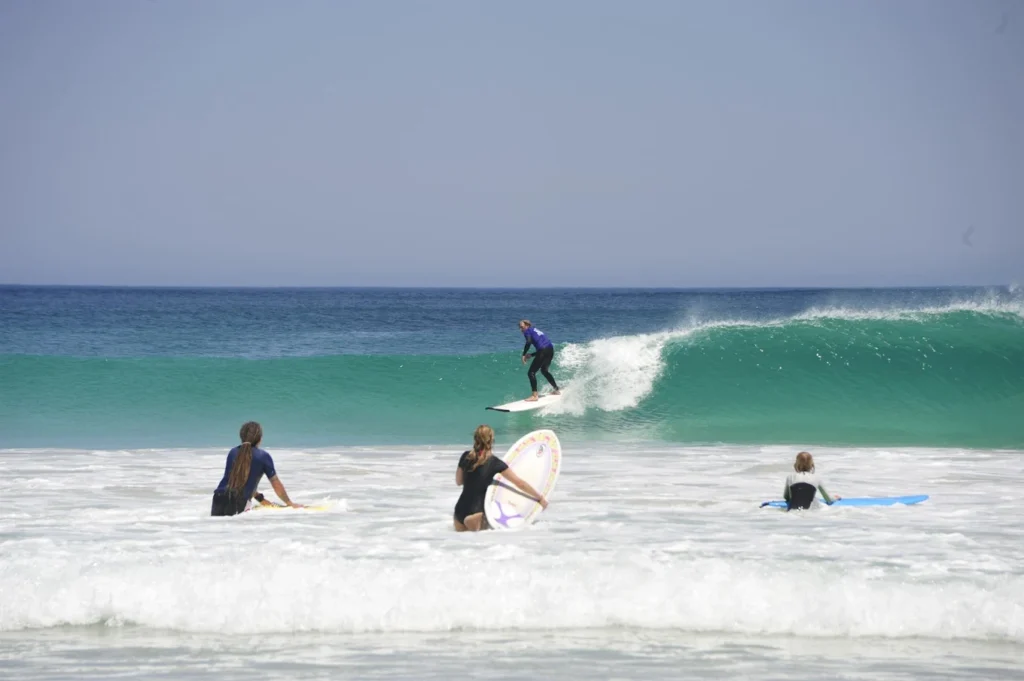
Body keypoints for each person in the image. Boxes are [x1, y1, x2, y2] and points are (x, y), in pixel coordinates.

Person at [454, 425, 548, 532]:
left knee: (462, 546)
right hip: (476, 512)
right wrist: (539, 498)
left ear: (475, 439)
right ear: (491, 440)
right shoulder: (495, 463)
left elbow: (459, 481)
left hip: (459, 510)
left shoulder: (465, 456)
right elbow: (520, 483)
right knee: (480, 546)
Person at [211, 421, 302, 516]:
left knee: (219, 529)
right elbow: (276, 484)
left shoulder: (233, 452)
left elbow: (240, 481)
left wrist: (260, 499)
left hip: (218, 497)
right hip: (239, 501)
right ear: (260, 439)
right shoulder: (263, 456)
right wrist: (290, 504)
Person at [519, 319, 560, 401]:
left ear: (527, 326)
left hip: (543, 351)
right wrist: (531, 355)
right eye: (520, 327)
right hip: (550, 349)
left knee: (531, 372)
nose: (521, 329)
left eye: (522, 327)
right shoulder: (534, 330)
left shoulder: (527, 331)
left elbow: (528, 342)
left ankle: (534, 396)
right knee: (544, 371)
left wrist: (524, 354)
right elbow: (543, 347)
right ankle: (556, 390)